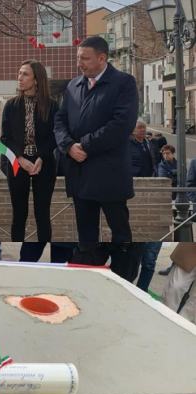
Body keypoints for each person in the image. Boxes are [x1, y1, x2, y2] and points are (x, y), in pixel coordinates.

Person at [54, 36, 138, 253]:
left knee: (121, 239)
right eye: (78, 58)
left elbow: (121, 125)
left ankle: (123, 279)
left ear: (102, 58)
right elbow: (60, 120)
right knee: (86, 241)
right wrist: (69, 146)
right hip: (80, 176)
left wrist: (85, 146)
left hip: (110, 175)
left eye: (85, 58)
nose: (79, 63)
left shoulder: (124, 83)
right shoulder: (73, 85)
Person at [0, 60, 60, 242]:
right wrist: (19, 158)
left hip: (44, 163)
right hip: (17, 164)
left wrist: (41, 156)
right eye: (19, 73)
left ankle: (45, 253)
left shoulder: (52, 105)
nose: (20, 77)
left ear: (36, 79)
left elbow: (55, 136)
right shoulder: (11, 105)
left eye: (25, 74)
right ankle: (18, 253)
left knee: (42, 213)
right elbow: (4, 139)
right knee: (19, 213)